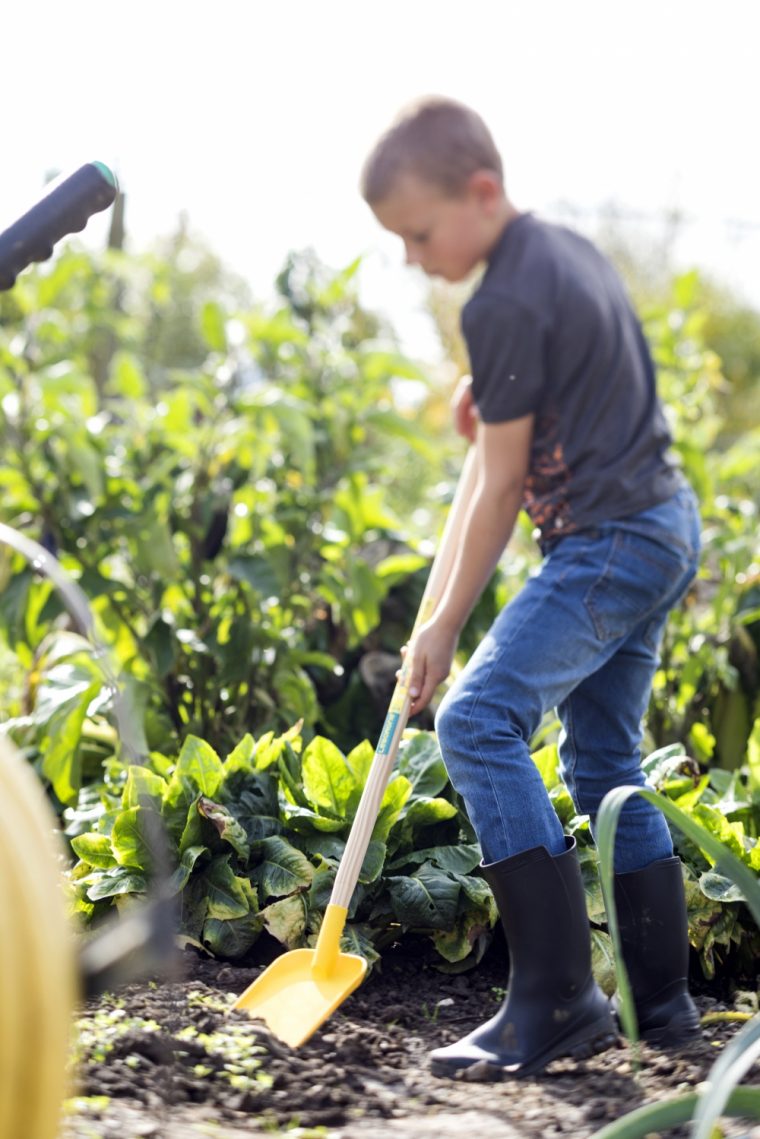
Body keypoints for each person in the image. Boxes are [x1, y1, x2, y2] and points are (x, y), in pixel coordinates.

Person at [360, 96, 702, 1079]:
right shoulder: (565, 255)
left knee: (475, 720)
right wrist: (507, 405)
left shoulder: (502, 300)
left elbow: (502, 486)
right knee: (604, 761)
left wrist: (440, 628)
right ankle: (662, 1008)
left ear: (481, 192)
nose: (413, 257)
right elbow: (524, 432)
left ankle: (554, 1003)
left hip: (608, 539)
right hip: (662, 523)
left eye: (420, 233)